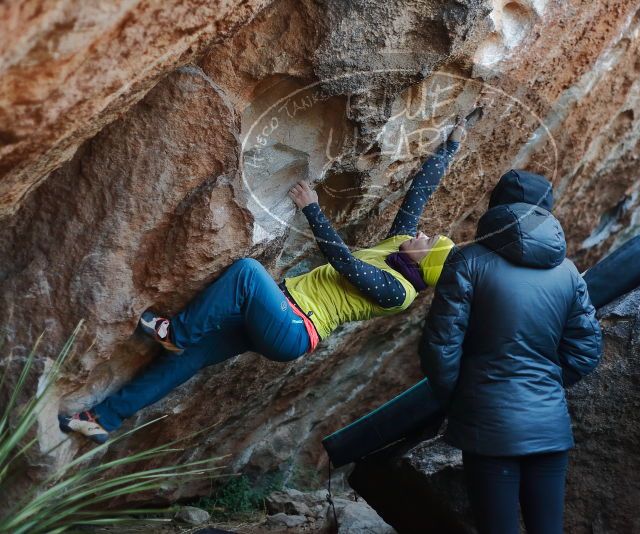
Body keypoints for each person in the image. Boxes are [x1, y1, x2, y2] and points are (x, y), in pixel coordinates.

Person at [58, 117, 472, 444]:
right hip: (282, 314)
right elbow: (419, 192)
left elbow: (345, 263)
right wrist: (451, 145)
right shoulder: (400, 246)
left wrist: (313, 209)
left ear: (428, 264)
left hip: (294, 330)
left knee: (247, 274)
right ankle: (102, 419)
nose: (422, 233)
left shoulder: (398, 292)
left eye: (428, 241)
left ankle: (176, 330)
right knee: (189, 360)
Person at [418, 170, 603, 534]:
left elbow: (440, 347)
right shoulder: (568, 273)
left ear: (495, 208)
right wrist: (543, 384)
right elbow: (586, 350)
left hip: (487, 424)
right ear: (547, 212)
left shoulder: (467, 260)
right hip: (548, 422)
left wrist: (462, 399)